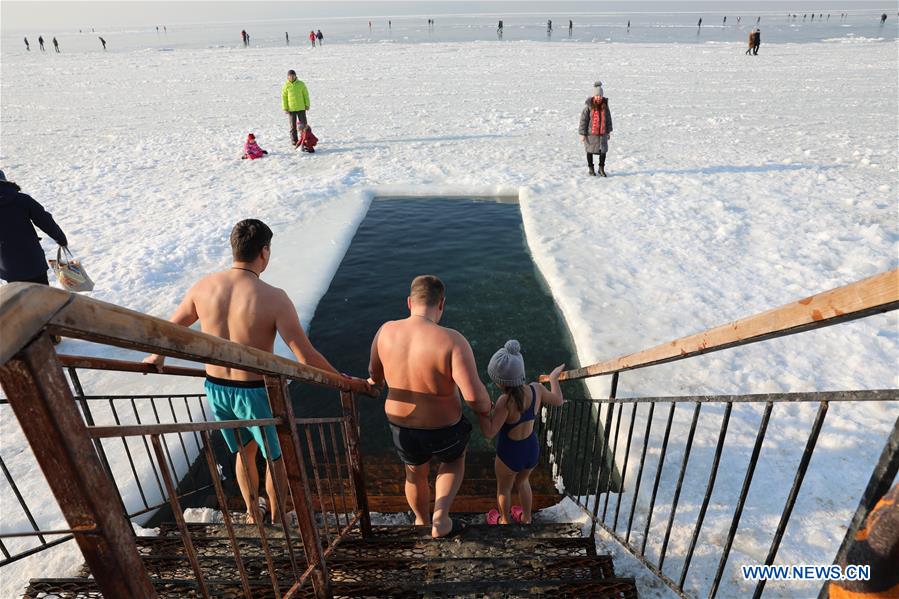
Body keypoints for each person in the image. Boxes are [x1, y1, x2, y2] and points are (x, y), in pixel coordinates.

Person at [143, 219, 341, 525]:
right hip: (256, 392)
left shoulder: (203, 287)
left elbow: (170, 328)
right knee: (275, 457)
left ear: (234, 248)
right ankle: (277, 518)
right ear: (264, 252)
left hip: (217, 388)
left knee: (243, 453)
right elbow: (306, 356)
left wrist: (157, 356)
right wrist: (345, 382)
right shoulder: (274, 297)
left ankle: (252, 514)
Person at [367, 275, 492, 538]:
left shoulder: (384, 331)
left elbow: (375, 376)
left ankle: (421, 520)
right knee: (454, 461)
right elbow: (474, 397)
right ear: (441, 304)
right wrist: (488, 408)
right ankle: (441, 519)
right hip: (444, 429)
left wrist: (368, 385)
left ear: (409, 302)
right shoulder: (452, 340)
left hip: (401, 426)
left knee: (414, 473)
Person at [480, 342, 564, 526]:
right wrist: (553, 379)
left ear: (500, 381)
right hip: (531, 449)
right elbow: (558, 400)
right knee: (523, 482)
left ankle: (504, 521)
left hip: (510, 453)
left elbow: (489, 432)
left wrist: (482, 412)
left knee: (504, 489)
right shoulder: (537, 389)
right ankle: (526, 518)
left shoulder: (504, 401)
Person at [0, 170, 68, 285]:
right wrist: (60, 238)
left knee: (19, 295)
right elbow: (45, 221)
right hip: (32, 261)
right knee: (42, 293)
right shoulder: (22, 199)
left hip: (8, 266)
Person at [578, 81, 613, 177]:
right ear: (594, 96)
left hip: (603, 133)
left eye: (600, 95)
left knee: (603, 151)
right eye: (597, 95)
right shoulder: (588, 107)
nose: (598, 97)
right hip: (591, 134)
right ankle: (591, 169)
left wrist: (608, 132)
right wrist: (582, 133)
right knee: (589, 151)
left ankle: (601, 169)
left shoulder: (605, 107)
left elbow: (608, 119)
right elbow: (583, 120)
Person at [282, 70, 310, 147]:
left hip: (301, 108)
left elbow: (306, 95)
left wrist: (307, 104)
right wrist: (285, 108)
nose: (291, 77)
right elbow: (284, 98)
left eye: (293, 76)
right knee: (293, 126)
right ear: (288, 77)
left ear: (295, 76)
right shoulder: (286, 86)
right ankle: (294, 140)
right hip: (291, 109)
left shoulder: (301, 84)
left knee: (304, 125)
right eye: (290, 76)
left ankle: (305, 138)